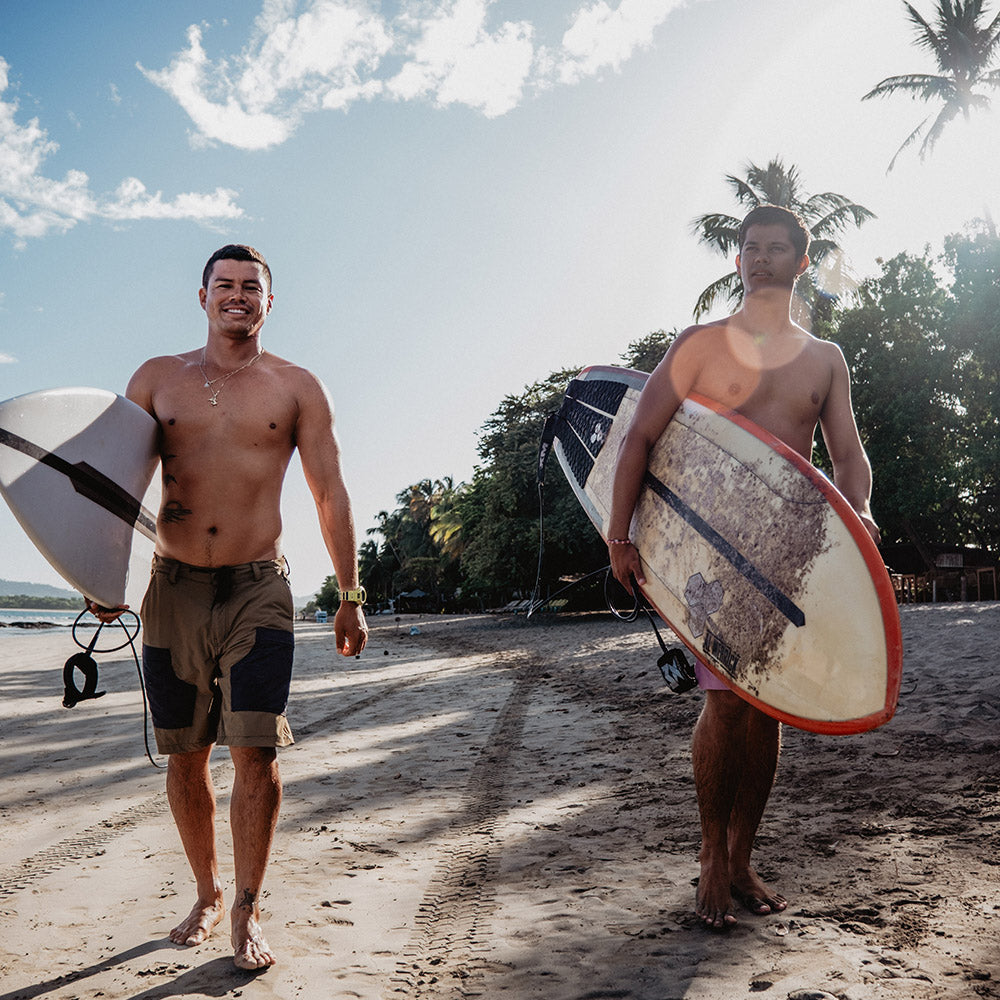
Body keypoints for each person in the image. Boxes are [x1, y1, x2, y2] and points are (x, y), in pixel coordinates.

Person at [88, 244, 368, 968]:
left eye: (252, 287)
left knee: (255, 747)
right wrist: (97, 574)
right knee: (184, 756)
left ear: (269, 303)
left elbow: (329, 492)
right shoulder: (156, 379)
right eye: (225, 285)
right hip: (172, 589)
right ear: (203, 295)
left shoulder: (297, 386)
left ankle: (245, 906)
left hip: (257, 588)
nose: (237, 296)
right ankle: (207, 892)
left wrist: (350, 595)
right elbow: (117, 484)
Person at [607, 205, 880, 930]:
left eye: (776, 249)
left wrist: (859, 522)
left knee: (769, 706)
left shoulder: (825, 358)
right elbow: (638, 439)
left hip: (790, 558)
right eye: (749, 249)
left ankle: (741, 854)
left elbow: (848, 457)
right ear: (737, 262)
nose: (760, 259)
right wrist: (619, 536)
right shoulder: (700, 344)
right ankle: (708, 856)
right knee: (726, 702)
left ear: (801, 261)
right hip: (707, 557)